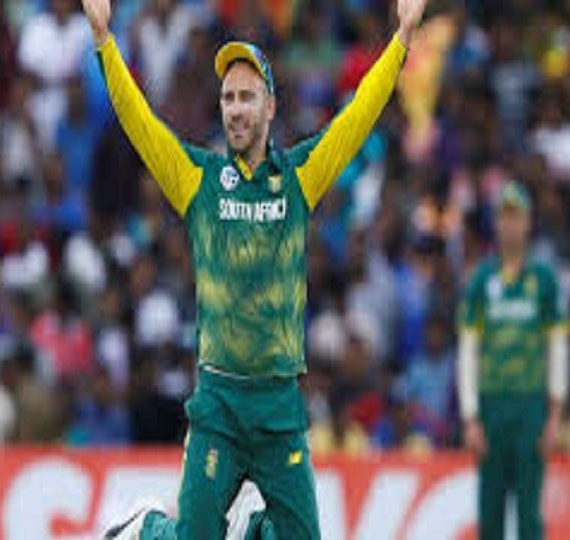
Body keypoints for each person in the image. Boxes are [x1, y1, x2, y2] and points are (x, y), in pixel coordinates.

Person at [81, 0, 429, 538]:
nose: (236, 109)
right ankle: (146, 526)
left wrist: (402, 38)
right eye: (228, 98)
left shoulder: (299, 177)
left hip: (278, 410)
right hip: (218, 407)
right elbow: (139, 122)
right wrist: (105, 41)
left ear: (270, 107)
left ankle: (249, 530)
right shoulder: (198, 179)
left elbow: (359, 115)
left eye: (247, 97)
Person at [457, 181, 569, 540]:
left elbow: (558, 348)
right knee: (489, 513)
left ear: (528, 222)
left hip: (530, 405)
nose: (509, 224)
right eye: (504, 216)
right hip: (491, 406)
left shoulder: (544, 280)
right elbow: (468, 351)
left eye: (516, 216)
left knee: (529, 515)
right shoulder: (481, 280)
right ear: (496, 223)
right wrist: (470, 416)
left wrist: (555, 414)